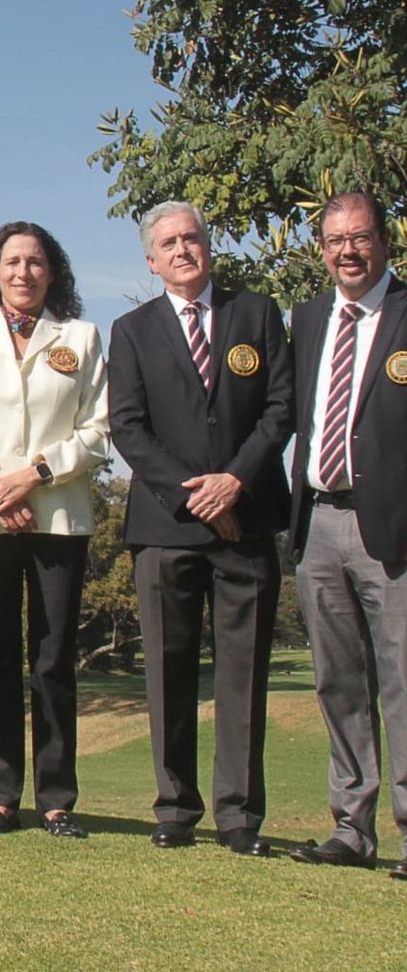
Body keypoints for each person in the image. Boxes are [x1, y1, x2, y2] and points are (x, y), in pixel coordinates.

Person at [109, 200, 292, 857]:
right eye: (169, 242)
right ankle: (176, 809)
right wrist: (195, 495)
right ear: (151, 261)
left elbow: (280, 408)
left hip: (248, 517)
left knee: (242, 677)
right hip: (165, 527)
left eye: (192, 238)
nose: (184, 249)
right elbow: (127, 426)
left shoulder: (257, 313)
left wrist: (234, 482)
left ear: (208, 247)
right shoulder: (132, 330)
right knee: (168, 671)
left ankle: (239, 817)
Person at [0, 222, 108, 839]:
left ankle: (56, 799)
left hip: (59, 518)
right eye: (12, 262)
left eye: (36, 262)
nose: (24, 273)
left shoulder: (82, 337)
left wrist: (34, 475)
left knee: (52, 661)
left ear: (53, 272)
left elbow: (100, 431)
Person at [286, 191, 407, 881]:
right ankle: (351, 828)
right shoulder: (307, 320)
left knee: (404, 681)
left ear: (385, 243)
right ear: (322, 250)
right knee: (338, 681)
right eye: (335, 241)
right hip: (320, 523)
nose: (348, 251)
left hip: (390, 523)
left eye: (360, 238)